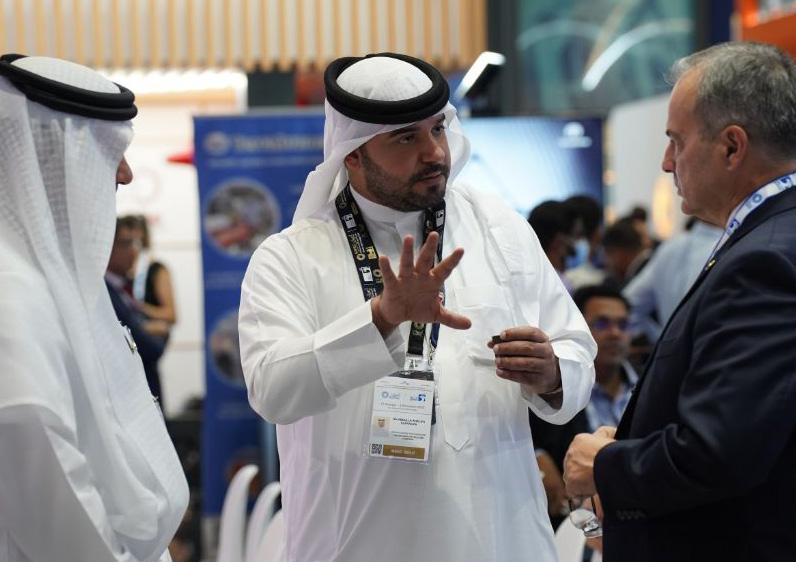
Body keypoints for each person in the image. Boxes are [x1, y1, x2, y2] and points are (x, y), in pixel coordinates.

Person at [238, 53, 596, 562]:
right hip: (358, 547)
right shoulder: (291, 257)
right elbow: (272, 390)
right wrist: (382, 318)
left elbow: (577, 351)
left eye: (438, 129)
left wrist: (552, 372)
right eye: (406, 138)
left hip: (501, 541)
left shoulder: (499, 229)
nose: (434, 152)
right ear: (353, 155)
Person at [564, 42, 796, 561]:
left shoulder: (771, 262)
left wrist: (606, 465)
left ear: (732, 147)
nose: (667, 162)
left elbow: (717, 453)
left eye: (676, 141)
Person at [0, 54, 188, 561]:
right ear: (50, 154)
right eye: (110, 152)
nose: (125, 174)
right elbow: (52, 490)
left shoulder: (48, 276)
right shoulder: (11, 292)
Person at [530, 285, 637, 527]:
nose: (615, 333)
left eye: (623, 325)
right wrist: (537, 458)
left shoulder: (650, 383)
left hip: (638, 511)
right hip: (573, 521)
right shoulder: (551, 384)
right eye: (602, 324)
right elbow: (528, 436)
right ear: (579, 329)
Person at [623, 217, 723, 342]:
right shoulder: (732, 245)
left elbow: (628, 305)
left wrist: (662, 339)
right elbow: (626, 307)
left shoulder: (671, 247)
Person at [106, 216, 169, 403]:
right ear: (107, 245)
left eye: (136, 243)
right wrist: (150, 329)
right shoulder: (106, 292)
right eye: (126, 244)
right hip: (130, 397)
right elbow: (149, 347)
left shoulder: (124, 287)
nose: (134, 251)